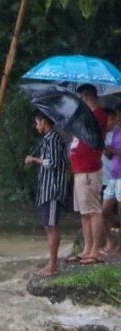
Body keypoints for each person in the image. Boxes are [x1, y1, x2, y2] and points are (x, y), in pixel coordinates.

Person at [67, 84, 108, 265]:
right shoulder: (86, 116)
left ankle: (96, 250)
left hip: (89, 168)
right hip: (79, 168)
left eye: (81, 98)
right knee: (84, 212)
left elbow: (90, 134)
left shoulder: (98, 115)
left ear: (87, 96)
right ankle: (87, 247)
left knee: (93, 210)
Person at [25, 112, 69, 276]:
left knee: (51, 226)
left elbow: (53, 162)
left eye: (37, 123)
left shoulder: (53, 139)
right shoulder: (48, 139)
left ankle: (53, 265)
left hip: (52, 190)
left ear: (44, 122)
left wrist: (34, 159)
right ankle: (52, 262)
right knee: (48, 226)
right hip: (47, 190)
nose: (36, 126)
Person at [101, 108, 121, 255]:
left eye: (119, 115)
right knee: (104, 211)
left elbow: (116, 152)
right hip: (113, 177)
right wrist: (106, 151)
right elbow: (111, 156)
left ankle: (119, 248)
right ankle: (113, 240)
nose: (118, 118)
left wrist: (112, 150)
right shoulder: (115, 134)